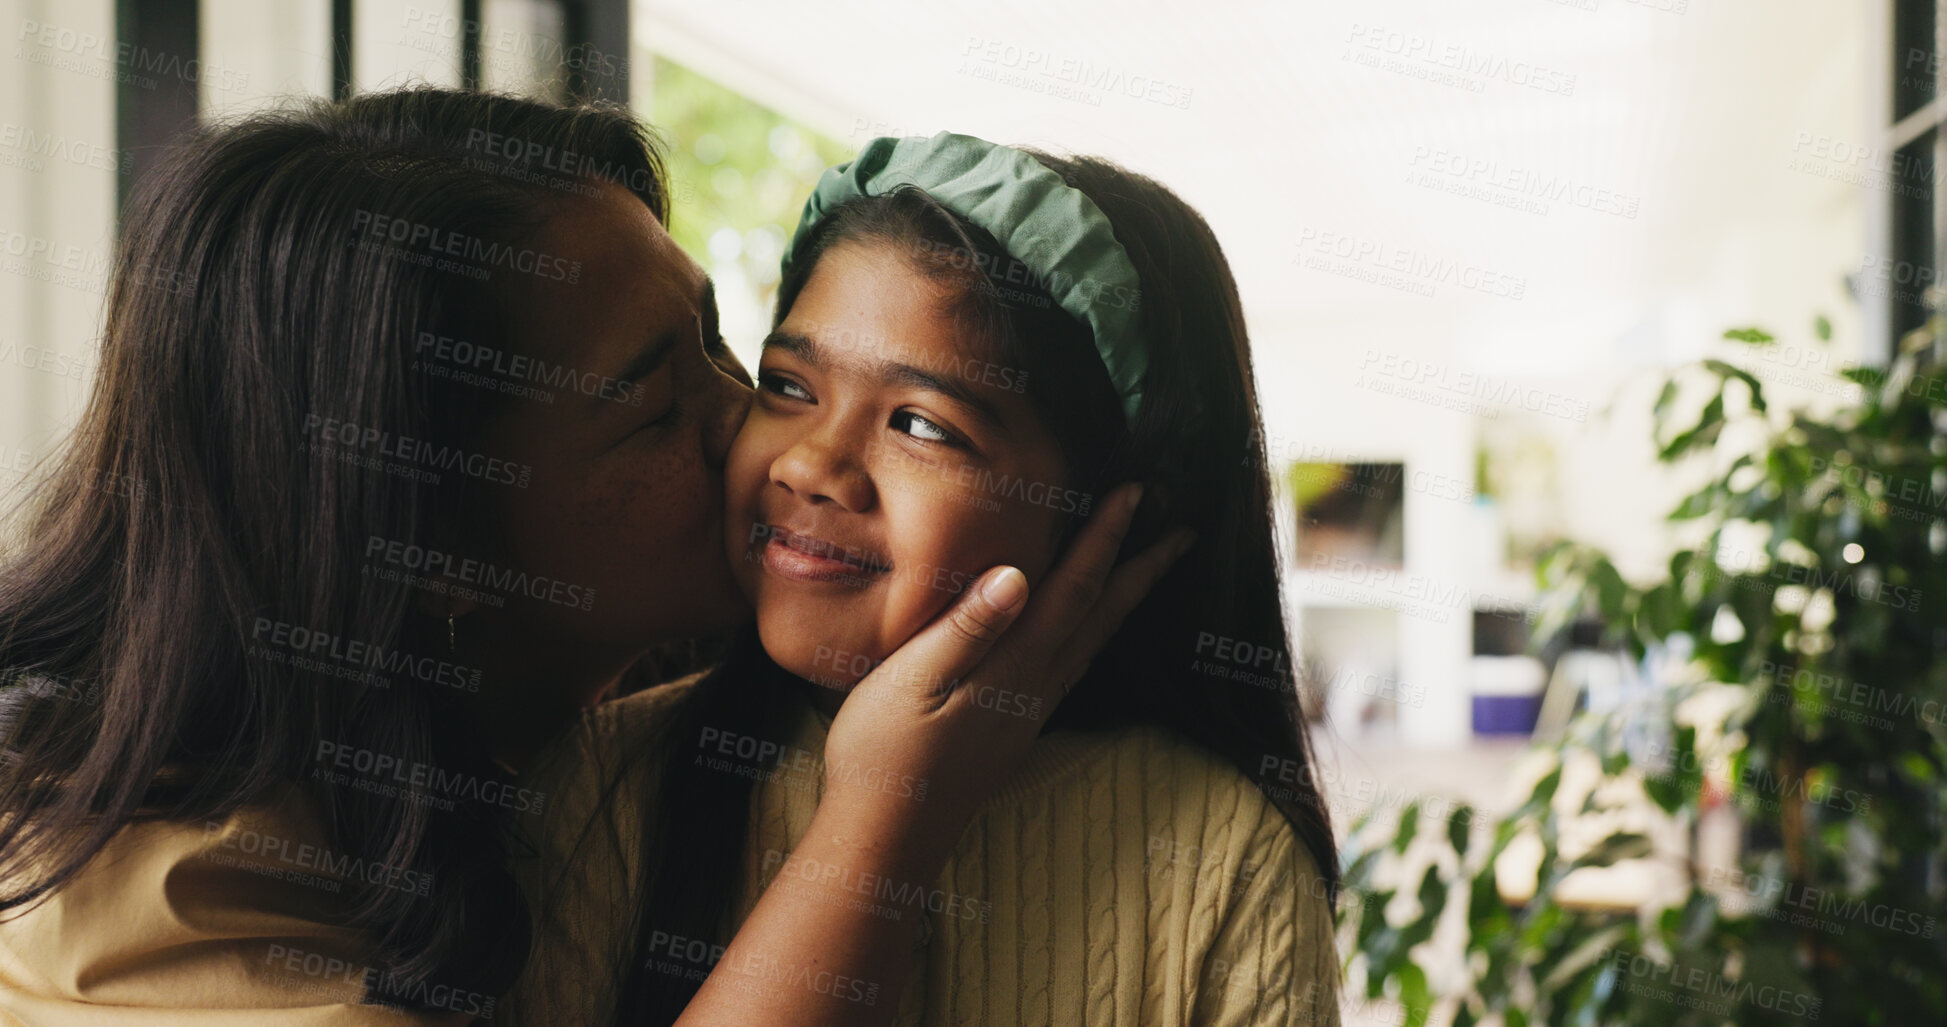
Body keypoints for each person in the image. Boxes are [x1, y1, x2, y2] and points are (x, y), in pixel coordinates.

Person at [0, 93, 1182, 1025]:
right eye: (655, 406)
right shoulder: (143, 898)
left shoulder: (582, 731)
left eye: (731, 352)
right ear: (438, 550)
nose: (765, 440)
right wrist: (881, 820)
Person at [509, 134, 1342, 1026]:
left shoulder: (1226, 856)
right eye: (788, 384)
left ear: (1113, 515)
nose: (813, 464)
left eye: (921, 425)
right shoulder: (599, 786)